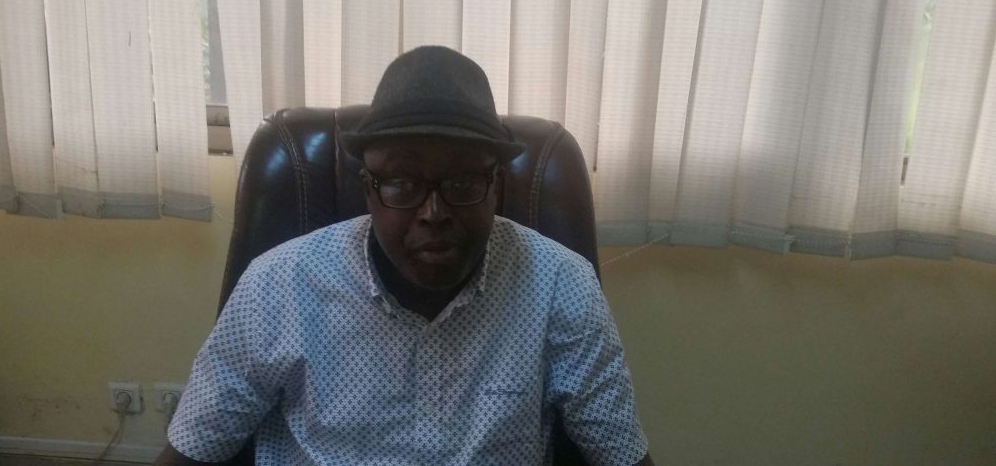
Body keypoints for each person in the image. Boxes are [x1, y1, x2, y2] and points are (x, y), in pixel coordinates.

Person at [154, 46, 653, 465]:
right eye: (401, 182)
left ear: (496, 186)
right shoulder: (277, 286)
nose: (433, 213)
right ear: (368, 189)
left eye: (463, 182)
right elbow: (195, 446)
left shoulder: (560, 284)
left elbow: (620, 453)